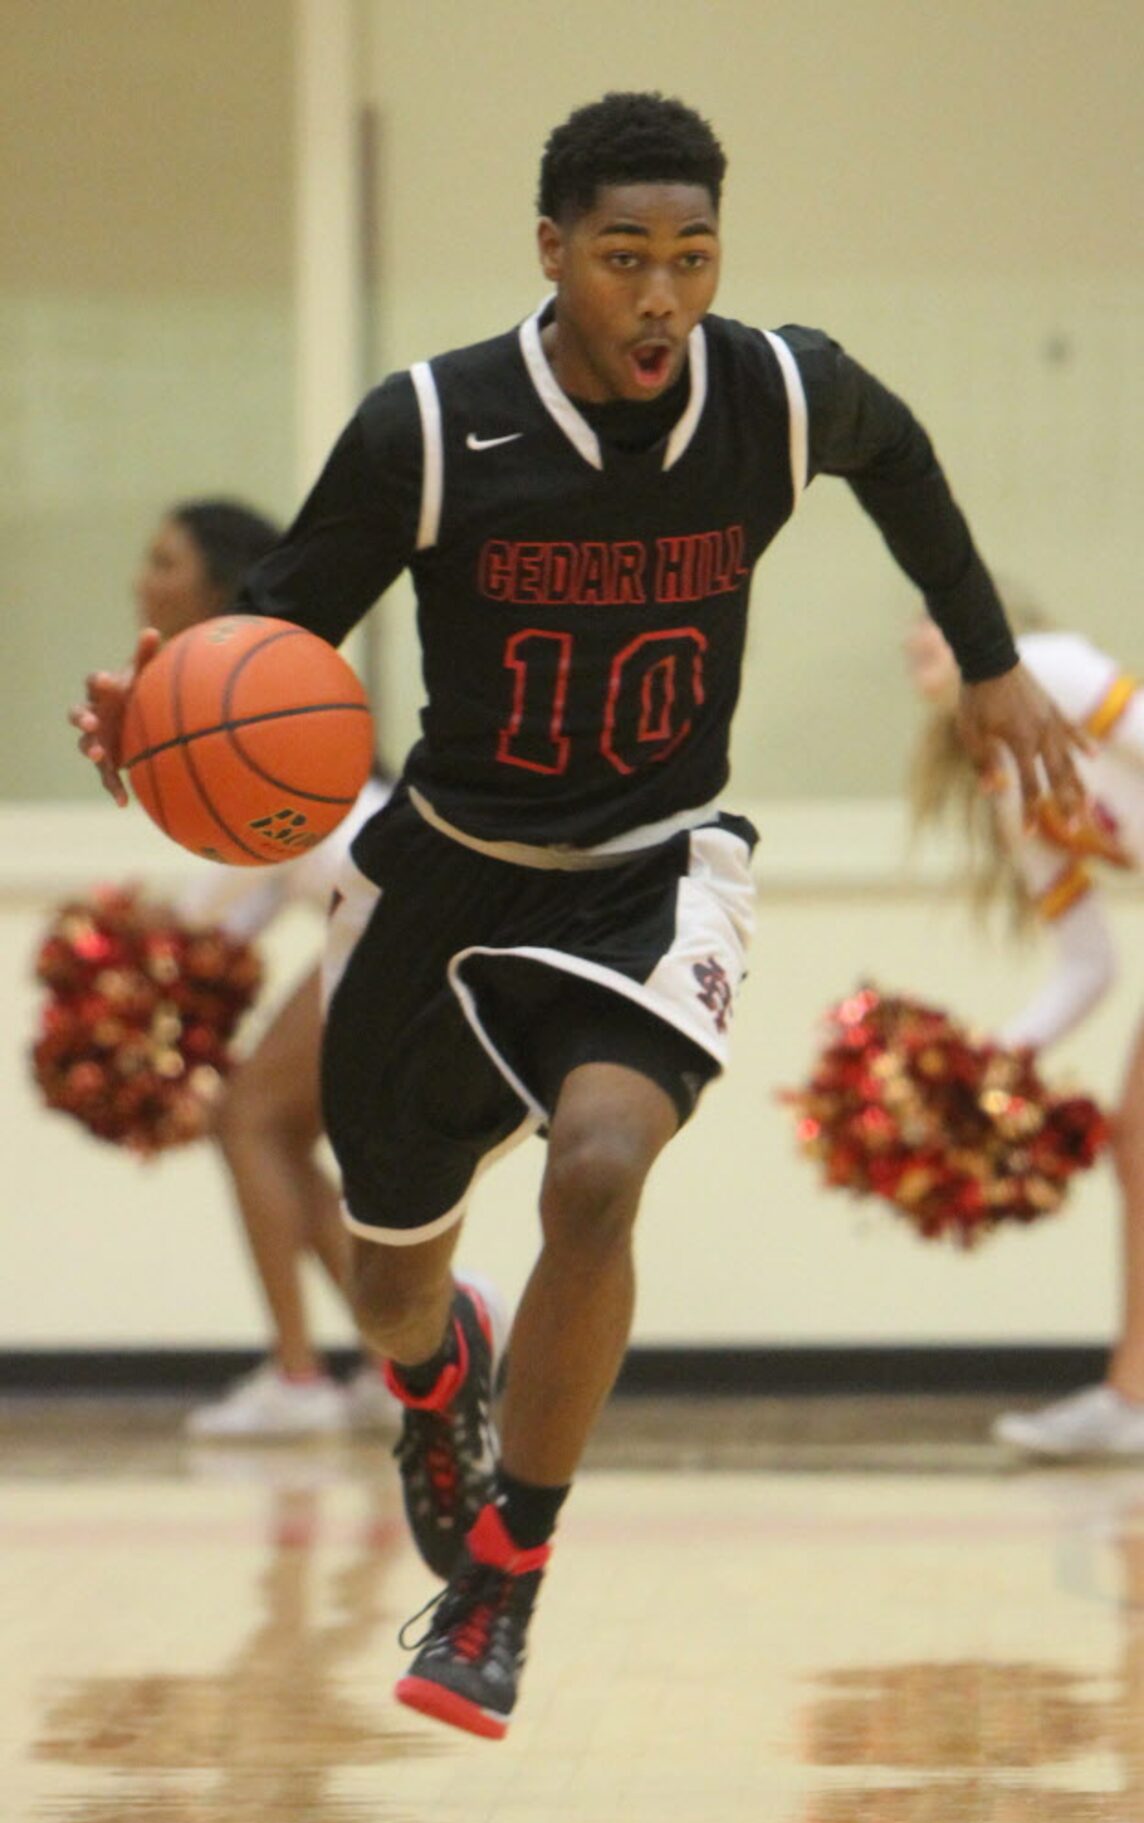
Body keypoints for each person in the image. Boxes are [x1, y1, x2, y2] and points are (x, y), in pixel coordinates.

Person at [73, 93, 1087, 1739]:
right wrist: (159, 715)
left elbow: (893, 451)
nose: (662, 295)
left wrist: (979, 658)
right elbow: (279, 633)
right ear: (551, 253)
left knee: (601, 1171)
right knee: (394, 1282)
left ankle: (500, 1574)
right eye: (625, 257)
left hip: (651, 861)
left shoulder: (771, 390)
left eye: (691, 256)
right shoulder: (429, 424)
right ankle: (428, 1375)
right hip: (445, 875)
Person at [135, 500, 399, 1439]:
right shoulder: (218, 679)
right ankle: (393, 1365)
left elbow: (238, 859)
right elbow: (249, 878)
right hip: (376, 923)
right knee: (275, 1135)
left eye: (163, 560)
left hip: (386, 922)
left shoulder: (234, 679)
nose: (142, 580)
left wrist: (137, 928)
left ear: (213, 584)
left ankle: (299, 1378)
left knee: (247, 1117)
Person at [907, 601, 1144, 1458]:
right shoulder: (1012, 791)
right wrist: (987, 1066)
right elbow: (1089, 965)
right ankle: (1134, 1395)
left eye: (935, 619)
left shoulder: (1055, 670)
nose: (914, 640)